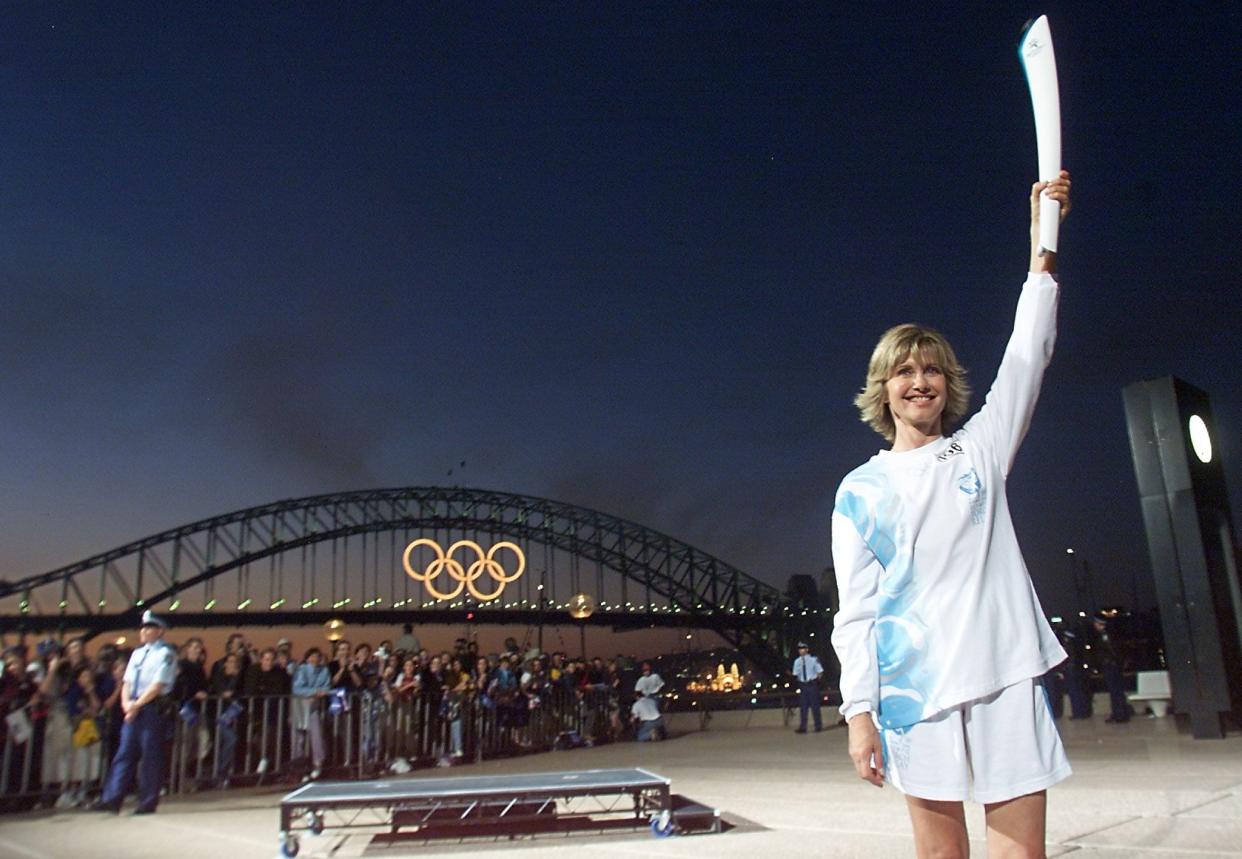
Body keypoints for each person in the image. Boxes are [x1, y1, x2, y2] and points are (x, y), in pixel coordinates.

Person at [830, 174, 1073, 856]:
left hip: (1002, 673)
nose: (920, 380)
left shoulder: (981, 450)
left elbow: (1029, 354)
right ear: (884, 389)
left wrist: (1041, 249)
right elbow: (857, 613)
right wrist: (859, 715)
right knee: (941, 854)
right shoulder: (859, 491)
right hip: (916, 692)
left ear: (947, 383)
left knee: (1021, 852)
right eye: (904, 370)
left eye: (932, 369)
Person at [93, 610, 177, 814]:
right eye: (143, 627)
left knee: (150, 755)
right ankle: (112, 798)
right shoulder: (138, 653)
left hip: (152, 707)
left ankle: (147, 801)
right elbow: (127, 681)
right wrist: (126, 704)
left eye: (148, 627)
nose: (143, 631)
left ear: (159, 631)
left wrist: (136, 705)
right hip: (133, 706)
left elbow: (158, 684)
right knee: (124, 753)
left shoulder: (165, 653)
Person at [1092, 613, 1131, 723]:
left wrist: (1113, 662)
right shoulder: (1108, 634)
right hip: (1113, 665)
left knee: (1115, 690)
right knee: (1116, 690)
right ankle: (1119, 713)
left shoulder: (1105, 636)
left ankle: (1119, 714)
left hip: (1111, 665)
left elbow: (1112, 651)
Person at [791, 643, 824, 733]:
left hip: (812, 684)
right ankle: (803, 726)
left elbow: (820, 672)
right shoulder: (797, 661)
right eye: (799, 649)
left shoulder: (813, 660)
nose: (801, 650)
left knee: (815, 706)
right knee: (803, 707)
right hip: (803, 685)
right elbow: (795, 674)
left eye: (802, 648)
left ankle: (818, 725)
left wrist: (816, 681)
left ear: (807, 649)